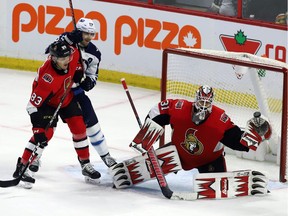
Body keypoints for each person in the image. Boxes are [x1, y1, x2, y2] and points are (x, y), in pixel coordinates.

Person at [111, 85, 272, 188]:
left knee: (218, 186)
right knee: (158, 159)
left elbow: (237, 140)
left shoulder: (219, 119)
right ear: (195, 100)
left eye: (206, 104)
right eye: (200, 102)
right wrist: (147, 132)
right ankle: (125, 174)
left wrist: (257, 134)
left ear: (211, 104)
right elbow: (158, 111)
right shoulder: (180, 109)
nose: (202, 107)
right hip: (176, 155)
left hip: (209, 160)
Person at [29, 18, 116, 173]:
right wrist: (69, 38)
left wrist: (88, 82)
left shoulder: (94, 53)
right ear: (79, 32)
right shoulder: (66, 40)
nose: (89, 37)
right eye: (85, 33)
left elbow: (93, 75)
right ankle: (35, 156)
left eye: (92, 34)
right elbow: (49, 50)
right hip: (55, 89)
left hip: (74, 91)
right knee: (47, 125)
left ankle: (105, 156)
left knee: (90, 122)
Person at [13, 40, 101, 188]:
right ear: (53, 59)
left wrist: (79, 72)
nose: (67, 60)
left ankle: (85, 165)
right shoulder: (47, 79)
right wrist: (38, 130)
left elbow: (74, 47)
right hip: (47, 104)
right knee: (45, 135)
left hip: (66, 98)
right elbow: (32, 107)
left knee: (79, 128)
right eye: (62, 58)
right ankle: (23, 165)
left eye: (68, 57)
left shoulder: (71, 55)